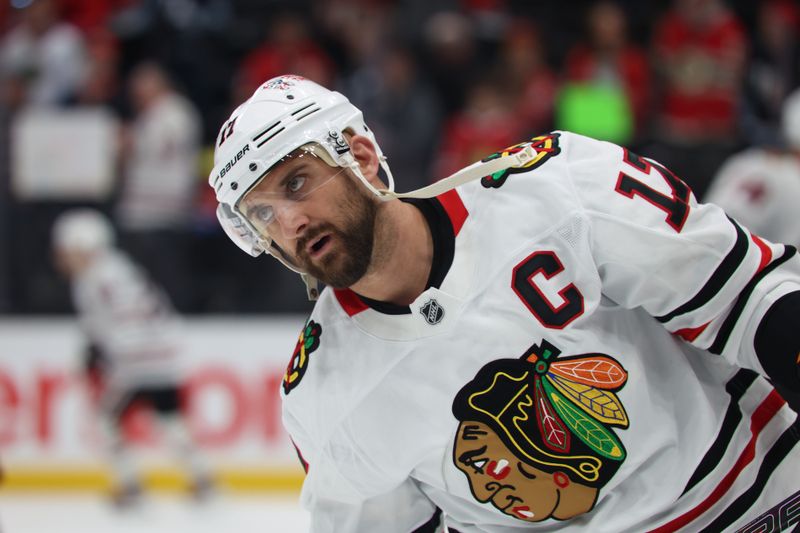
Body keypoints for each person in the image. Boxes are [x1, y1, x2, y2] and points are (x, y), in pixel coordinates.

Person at [209, 76, 800, 532]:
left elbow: (748, 297)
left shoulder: (555, 186)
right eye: (262, 214)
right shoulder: (322, 394)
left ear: (360, 157)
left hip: (766, 492)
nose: (289, 221)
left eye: (296, 182)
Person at [52, 209, 212, 506]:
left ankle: (129, 483)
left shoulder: (97, 277)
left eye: (68, 250)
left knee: (105, 420)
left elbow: (120, 324)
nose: (63, 258)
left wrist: (99, 355)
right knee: (169, 419)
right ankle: (201, 477)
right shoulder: (117, 268)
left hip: (137, 363)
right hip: (162, 357)